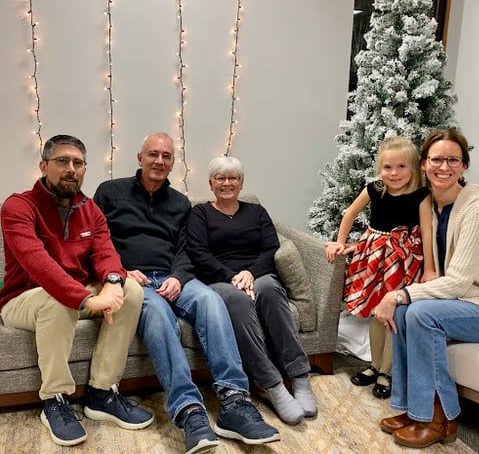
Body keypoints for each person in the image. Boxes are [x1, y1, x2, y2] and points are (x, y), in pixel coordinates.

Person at [93, 132, 279, 454]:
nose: (159, 161)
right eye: (153, 154)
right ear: (140, 158)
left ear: (173, 163)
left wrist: (179, 278)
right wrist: (121, 272)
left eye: (166, 156)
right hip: (133, 281)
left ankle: (235, 401)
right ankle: (189, 410)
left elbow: (186, 249)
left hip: (173, 276)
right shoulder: (110, 192)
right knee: (158, 315)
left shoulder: (180, 203)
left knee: (211, 300)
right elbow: (96, 240)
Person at [0, 135, 153, 447]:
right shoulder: (18, 206)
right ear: (44, 166)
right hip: (24, 298)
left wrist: (113, 282)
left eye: (78, 163)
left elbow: (105, 251)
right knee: (57, 301)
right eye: (62, 161)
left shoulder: (91, 209)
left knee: (132, 290)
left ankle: (102, 393)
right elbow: (38, 264)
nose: (71, 169)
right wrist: (87, 299)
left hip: (77, 294)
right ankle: (55, 399)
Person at [375, 128, 479, 448]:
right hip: (462, 301)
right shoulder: (431, 205)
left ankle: (438, 418)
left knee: (420, 313)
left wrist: (399, 293)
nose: (444, 167)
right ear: (424, 164)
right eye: (436, 160)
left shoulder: (477, 209)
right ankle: (411, 408)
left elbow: (459, 281)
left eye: (453, 160)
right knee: (403, 312)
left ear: (464, 166)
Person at [186, 156, 317, 426]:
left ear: (241, 183)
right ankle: (272, 385)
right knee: (238, 300)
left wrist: (250, 273)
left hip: (257, 275)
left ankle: (300, 377)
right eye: (220, 178)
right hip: (220, 279)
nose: (227, 183)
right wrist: (232, 276)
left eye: (233, 178)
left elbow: (270, 248)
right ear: (211, 184)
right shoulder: (200, 214)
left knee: (269, 289)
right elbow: (199, 253)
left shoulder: (256, 212)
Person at [325, 136, 436, 399]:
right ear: (379, 168)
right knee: (377, 313)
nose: (394, 173)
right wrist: (340, 241)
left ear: (413, 167)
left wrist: (430, 268)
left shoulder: (421, 195)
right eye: (387, 167)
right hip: (374, 258)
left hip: (402, 260)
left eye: (401, 167)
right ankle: (375, 365)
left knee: (392, 316)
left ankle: (387, 371)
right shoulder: (375, 189)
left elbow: (427, 232)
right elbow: (350, 213)